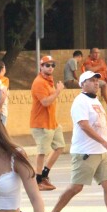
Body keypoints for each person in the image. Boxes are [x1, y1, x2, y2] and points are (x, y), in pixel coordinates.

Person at [43, 71, 107, 212]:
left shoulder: (96, 101)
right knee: (76, 187)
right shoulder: (80, 102)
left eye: (97, 80)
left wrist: (103, 146)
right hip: (85, 152)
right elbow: (84, 126)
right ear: (83, 84)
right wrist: (105, 143)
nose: (96, 83)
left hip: (99, 152)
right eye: (92, 80)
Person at [29, 55, 65, 191]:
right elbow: (45, 102)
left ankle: (44, 174)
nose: (50, 68)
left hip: (52, 122)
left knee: (60, 147)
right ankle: (38, 180)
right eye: (47, 65)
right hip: (41, 123)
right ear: (41, 66)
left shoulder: (49, 81)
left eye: (52, 65)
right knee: (42, 151)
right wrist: (58, 91)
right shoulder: (39, 82)